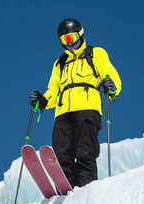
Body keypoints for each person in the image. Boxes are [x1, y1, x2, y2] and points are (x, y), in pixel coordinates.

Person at [29, 18, 121, 189]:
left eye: (70, 38)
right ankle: (66, 190)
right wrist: (43, 101)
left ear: (80, 35)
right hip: (63, 113)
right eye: (64, 40)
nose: (68, 44)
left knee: (85, 152)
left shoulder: (96, 54)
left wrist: (112, 87)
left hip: (87, 110)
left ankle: (86, 189)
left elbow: (111, 75)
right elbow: (53, 91)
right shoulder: (60, 63)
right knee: (62, 155)